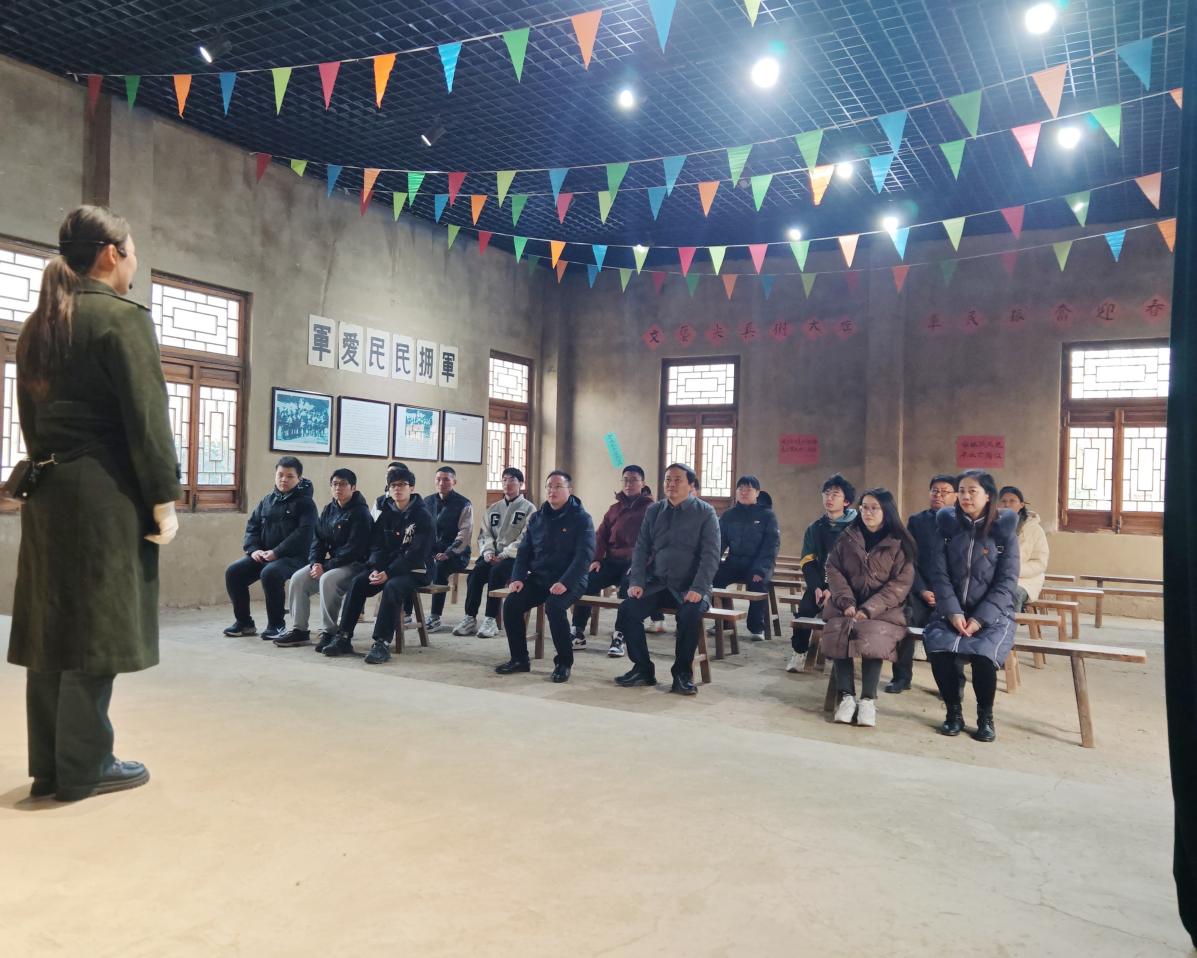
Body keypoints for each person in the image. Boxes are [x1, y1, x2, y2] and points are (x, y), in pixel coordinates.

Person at [8, 205, 180, 802]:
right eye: (132, 252)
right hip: (104, 494)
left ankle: (51, 767)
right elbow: (147, 420)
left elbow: (30, 421)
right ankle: (86, 766)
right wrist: (163, 496)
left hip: (48, 493)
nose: (133, 263)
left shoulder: (39, 324)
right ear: (111, 253)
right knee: (95, 627)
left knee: (51, 626)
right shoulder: (122, 319)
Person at [923, 470, 1020, 743]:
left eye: (972, 491)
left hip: (992, 614)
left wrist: (978, 620)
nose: (966, 497)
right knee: (939, 650)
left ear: (988, 496)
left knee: (983, 656)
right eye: (962, 491)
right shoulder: (947, 528)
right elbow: (939, 575)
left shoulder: (1003, 533)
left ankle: (985, 717)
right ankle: (953, 712)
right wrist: (953, 612)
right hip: (952, 611)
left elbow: (1007, 582)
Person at [613, 463, 721, 696]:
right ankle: (643, 669)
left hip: (690, 586)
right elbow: (641, 549)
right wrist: (637, 582)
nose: (671, 484)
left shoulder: (705, 512)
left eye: (678, 480)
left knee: (690, 615)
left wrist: (699, 588)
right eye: (667, 480)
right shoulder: (655, 511)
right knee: (628, 610)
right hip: (659, 583)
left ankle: (682, 674)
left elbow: (711, 556)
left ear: (691, 485)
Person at [823, 489, 916, 727]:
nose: (868, 512)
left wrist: (869, 609)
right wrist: (846, 602)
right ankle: (847, 697)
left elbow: (900, 584)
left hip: (884, 609)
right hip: (847, 605)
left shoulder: (899, 543)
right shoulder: (847, 537)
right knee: (840, 631)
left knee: (872, 636)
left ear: (887, 511)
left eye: (874, 508)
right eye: (864, 507)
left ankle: (867, 700)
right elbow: (833, 569)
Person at [323, 466, 433, 663]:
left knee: (392, 587)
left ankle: (381, 643)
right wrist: (376, 568)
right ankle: (343, 637)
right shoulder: (386, 513)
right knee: (359, 582)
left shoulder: (422, 515)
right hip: (386, 569)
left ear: (412, 488)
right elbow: (376, 546)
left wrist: (388, 573)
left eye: (402, 485)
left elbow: (416, 553)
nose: (397, 489)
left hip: (415, 570)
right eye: (393, 485)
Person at [494, 470, 595, 683]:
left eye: (558, 486)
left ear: (569, 490)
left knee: (554, 607)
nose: (552, 490)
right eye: (549, 486)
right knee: (511, 604)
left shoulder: (581, 519)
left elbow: (584, 557)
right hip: (540, 577)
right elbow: (524, 551)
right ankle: (519, 659)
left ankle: (563, 663)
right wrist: (517, 578)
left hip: (571, 579)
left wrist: (565, 582)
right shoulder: (538, 517)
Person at [570, 464, 664, 658]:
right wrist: (596, 559)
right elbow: (600, 536)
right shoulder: (614, 508)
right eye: (625, 480)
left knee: (627, 589)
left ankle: (620, 635)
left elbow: (657, 542)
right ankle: (577, 631)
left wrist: (641, 566)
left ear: (643, 483)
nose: (629, 484)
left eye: (634, 480)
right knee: (587, 581)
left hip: (636, 563)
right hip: (613, 561)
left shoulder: (652, 509)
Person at [275, 468, 372, 648]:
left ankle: (330, 632)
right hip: (332, 563)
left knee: (328, 579)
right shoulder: (329, 509)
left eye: (343, 484)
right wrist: (315, 563)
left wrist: (326, 567)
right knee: (298, 578)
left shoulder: (361, 513)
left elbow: (354, 549)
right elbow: (317, 540)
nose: (338, 488)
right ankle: (299, 630)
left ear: (353, 487)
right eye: (334, 484)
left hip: (357, 564)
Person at [224, 457, 317, 641]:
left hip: (296, 557)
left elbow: (303, 535)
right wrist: (254, 550)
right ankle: (244, 623)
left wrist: (277, 552)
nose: (284, 479)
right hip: (266, 555)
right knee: (234, 572)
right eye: (280, 475)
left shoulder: (306, 504)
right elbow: (253, 527)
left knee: (271, 573)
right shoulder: (268, 500)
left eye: (290, 476)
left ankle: (276, 625)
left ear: (299, 478)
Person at [886, 474, 958, 693]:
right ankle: (901, 677)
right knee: (902, 621)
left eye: (944, 492)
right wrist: (922, 590)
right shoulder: (917, 521)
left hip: (950, 593)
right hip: (919, 589)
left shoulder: (962, 523)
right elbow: (908, 559)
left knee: (951, 632)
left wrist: (944, 594)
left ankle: (953, 685)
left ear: (955, 496)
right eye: (935, 491)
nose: (938, 495)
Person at [787, 474, 858, 672]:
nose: (829, 498)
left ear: (846, 501)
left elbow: (855, 564)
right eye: (826, 493)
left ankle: (839, 655)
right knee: (805, 609)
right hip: (819, 582)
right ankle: (799, 651)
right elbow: (807, 560)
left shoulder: (856, 528)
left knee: (841, 611)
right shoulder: (815, 528)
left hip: (848, 586)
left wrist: (833, 590)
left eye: (835, 494)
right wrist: (816, 587)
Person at [452, 467, 533, 638]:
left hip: (514, 557)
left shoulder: (529, 509)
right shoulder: (493, 508)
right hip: (492, 555)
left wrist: (504, 554)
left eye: (512, 480)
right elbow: (485, 533)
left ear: (520, 483)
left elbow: (526, 537)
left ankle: (490, 620)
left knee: (496, 573)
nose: (507, 484)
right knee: (475, 574)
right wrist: (488, 552)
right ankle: (470, 617)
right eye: (504, 480)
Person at [713, 475, 780, 641]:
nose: (743, 492)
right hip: (734, 561)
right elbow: (719, 542)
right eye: (740, 489)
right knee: (715, 578)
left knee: (757, 582)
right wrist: (712, 564)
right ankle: (723, 621)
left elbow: (771, 546)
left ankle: (756, 627)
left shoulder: (767, 516)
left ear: (757, 493)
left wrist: (760, 569)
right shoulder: (729, 515)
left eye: (748, 489)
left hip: (758, 563)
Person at [414, 465, 472, 633]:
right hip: (432, 552)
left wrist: (448, 553)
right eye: (438, 479)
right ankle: (408, 613)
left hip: (457, 553)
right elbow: (421, 529)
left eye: (446, 479)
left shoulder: (464, 504)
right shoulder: (427, 502)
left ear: (454, 482)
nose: (442, 483)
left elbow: (465, 533)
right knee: (409, 566)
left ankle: (435, 616)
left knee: (439, 567)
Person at [998, 486, 1050, 612]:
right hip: (995, 577)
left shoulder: (1035, 530)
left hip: (1024, 580)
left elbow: (1040, 563)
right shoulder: (991, 526)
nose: (1007, 505)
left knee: (1011, 593)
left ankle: (1009, 624)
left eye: (1012, 501)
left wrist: (1014, 570)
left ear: (1021, 505)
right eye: (1003, 501)